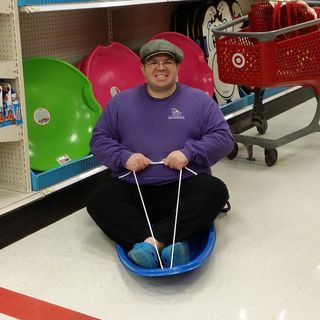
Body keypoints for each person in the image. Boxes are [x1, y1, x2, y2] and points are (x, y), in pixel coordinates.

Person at [87, 39, 234, 269]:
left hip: (184, 185)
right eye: (153, 62)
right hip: (134, 187)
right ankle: (170, 240)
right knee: (98, 201)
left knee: (216, 191)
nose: (161, 67)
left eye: (168, 62)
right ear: (142, 69)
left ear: (178, 67)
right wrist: (124, 157)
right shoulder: (120, 103)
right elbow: (98, 140)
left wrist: (189, 153)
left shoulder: (200, 101)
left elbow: (224, 139)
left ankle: (151, 242)